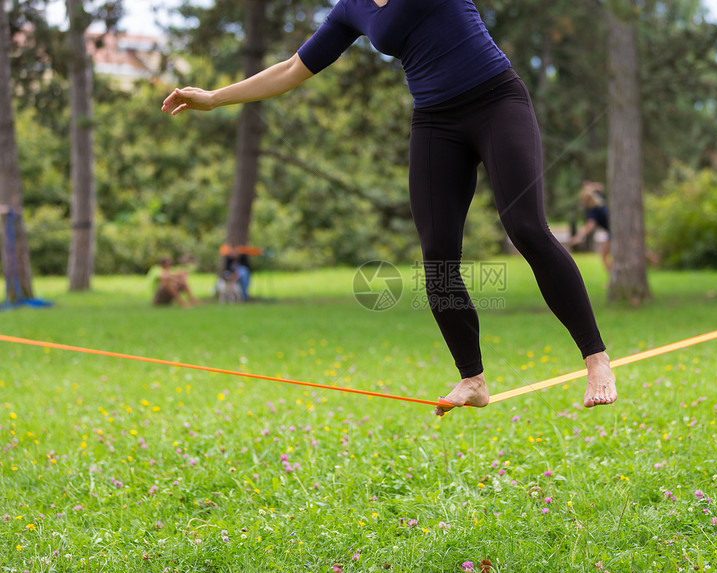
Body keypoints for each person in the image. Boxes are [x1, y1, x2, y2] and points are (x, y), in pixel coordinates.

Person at [161, 0, 617, 414]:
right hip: (435, 121)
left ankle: (596, 361)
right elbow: (292, 68)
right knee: (437, 256)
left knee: (527, 229)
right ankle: (472, 379)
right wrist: (215, 97)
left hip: (496, 100)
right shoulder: (350, 10)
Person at [571, 181, 612, 273]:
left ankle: (614, 280)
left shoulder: (593, 210)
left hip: (613, 233)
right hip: (614, 231)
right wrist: (591, 186)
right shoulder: (599, 201)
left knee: (604, 256)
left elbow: (590, 226)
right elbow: (600, 187)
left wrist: (578, 237)